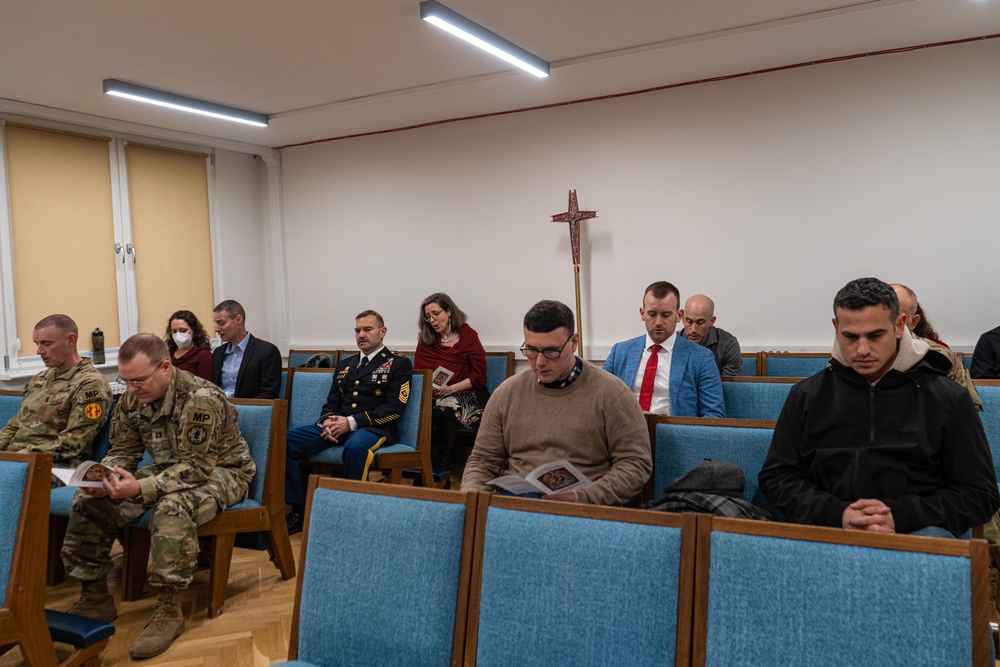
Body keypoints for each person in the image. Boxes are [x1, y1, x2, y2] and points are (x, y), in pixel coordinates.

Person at [61, 334, 255, 660]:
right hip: (170, 468)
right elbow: (124, 450)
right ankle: (94, 596)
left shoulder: (201, 399)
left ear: (165, 367)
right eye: (125, 381)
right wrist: (105, 477)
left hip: (222, 472)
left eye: (138, 380)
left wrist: (139, 487)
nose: (131, 389)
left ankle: (168, 608)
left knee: (172, 507)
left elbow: (196, 469)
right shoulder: (132, 398)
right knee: (89, 502)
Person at [758, 277, 999, 537]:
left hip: (916, 531)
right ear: (836, 329)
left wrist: (900, 515)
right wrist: (836, 512)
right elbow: (777, 478)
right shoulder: (806, 395)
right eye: (850, 336)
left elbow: (979, 494)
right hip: (826, 527)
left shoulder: (947, 398)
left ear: (899, 326)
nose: (862, 350)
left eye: (875, 335)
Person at [462, 300, 651, 506]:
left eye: (551, 351)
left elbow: (635, 465)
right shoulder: (507, 393)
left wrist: (585, 497)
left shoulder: (612, 394)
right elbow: (483, 460)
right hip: (516, 501)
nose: (539, 362)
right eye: (531, 350)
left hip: (582, 505)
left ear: (574, 342)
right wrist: (470, 502)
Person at [284, 311, 411, 534]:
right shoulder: (345, 364)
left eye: (367, 329)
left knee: (355, 447)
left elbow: (394, 409)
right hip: (339, 425)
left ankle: (351, 513)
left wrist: (350, 422)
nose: (361, 335)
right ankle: (299, 509)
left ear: (382, 332)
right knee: (285, 440)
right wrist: (327, 422)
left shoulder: (398, 363)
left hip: (373, 427)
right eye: (357, 330)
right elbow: (332, 402)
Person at [0, 314, 112, 485]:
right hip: (20, 460)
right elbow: (16, 424)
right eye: (37, 344)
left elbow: (74, 442)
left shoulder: (90, 385)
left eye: (47, 343)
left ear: (70, 340)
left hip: (58, 465)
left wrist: (19, 457)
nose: (39, 351)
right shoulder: (40, 379)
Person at [603, 281, 725, 417]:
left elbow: (714, 414)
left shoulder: (701, 358)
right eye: (652, 314)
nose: (658, 322)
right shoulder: (620, 352)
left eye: (666, 315)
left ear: (679, 315)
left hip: (674, 429)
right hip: (626, 428)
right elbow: (599, 398)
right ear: (642, 313)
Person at [413, 293, 489, 471]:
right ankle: (418, 465)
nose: (432, 320)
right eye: (428, 316)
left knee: (447, 406)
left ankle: (441, 467)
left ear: (449, 311)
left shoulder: (468, 336)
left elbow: (479, 376)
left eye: (436, 313)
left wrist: (451, 389)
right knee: (424, 406)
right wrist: (431, 389)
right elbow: (419, 374)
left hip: (468, 391)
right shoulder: (426, 341)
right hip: (435, 394)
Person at [891, 283, 981, 410]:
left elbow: (969, 407)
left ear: (913, 322)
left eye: (894, 316)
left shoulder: (940, 357)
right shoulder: (862, 354)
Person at [211, 300, 281, 399]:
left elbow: (269, 394)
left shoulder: (266, 351)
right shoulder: (218, 352)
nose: (216, 329)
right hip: (220, 406)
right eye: (216, 323)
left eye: (221, 323)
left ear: (238, 320)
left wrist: (242, 407)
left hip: (249, 407)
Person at [679, 294, 743, 376]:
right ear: (683, 318)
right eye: (689, 321)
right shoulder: (673, 341)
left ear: (712, 321)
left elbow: (729, 383)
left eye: (700, 322)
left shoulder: (728, 344)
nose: (693, 329)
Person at [164, 309, 213, 381]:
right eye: (174, 331)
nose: (178, 335)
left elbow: (206, 385)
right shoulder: (167, 354)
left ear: (194, 331)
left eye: (183, 330)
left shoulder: (203, 355)